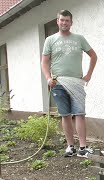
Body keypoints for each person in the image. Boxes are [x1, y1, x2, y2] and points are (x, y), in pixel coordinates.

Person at [41, 10, 97, 158]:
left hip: (77, 82)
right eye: (62, 20)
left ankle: (83, 148)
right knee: (65, 115)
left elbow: (93, 55)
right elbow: (45, 62)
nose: (64, 23)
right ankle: (70, 146)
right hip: (58, 83)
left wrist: (89, 74)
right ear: (57, 21)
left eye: (67, 20)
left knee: (79, 113)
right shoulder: (50, 40)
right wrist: (48, 78)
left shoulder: (79, 39)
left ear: (71, 22)